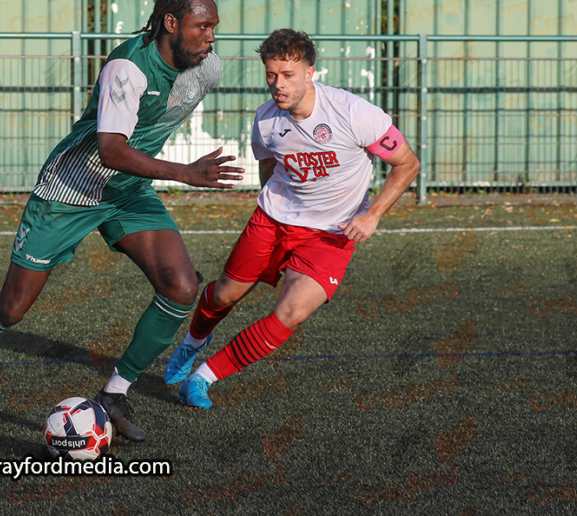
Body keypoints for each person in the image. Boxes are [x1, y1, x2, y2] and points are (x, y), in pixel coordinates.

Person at [0, 0, 244, 441]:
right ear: (171, 23)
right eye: (202, 25)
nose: (211, 36)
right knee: (12, 309)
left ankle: (115, 393)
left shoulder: (207, 70)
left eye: (215, 26)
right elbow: (110, 150)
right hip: (70, 191)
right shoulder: (128, 69)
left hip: (128, 192)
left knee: (181, 285)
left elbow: (145, 134)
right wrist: (184, 172)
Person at [164, 28, 420, 407]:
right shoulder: (266, 120)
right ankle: (192, 343)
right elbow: (269, 167)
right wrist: (274, 208)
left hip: (331, 235)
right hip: (272, 222)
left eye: (288, 75)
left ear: (310, 72)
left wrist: (373, 215)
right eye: (271, 75)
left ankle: (203, 378)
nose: (278, 85)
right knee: (224, 295)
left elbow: (407, 164)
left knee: (293, 311)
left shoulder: (355, 113)